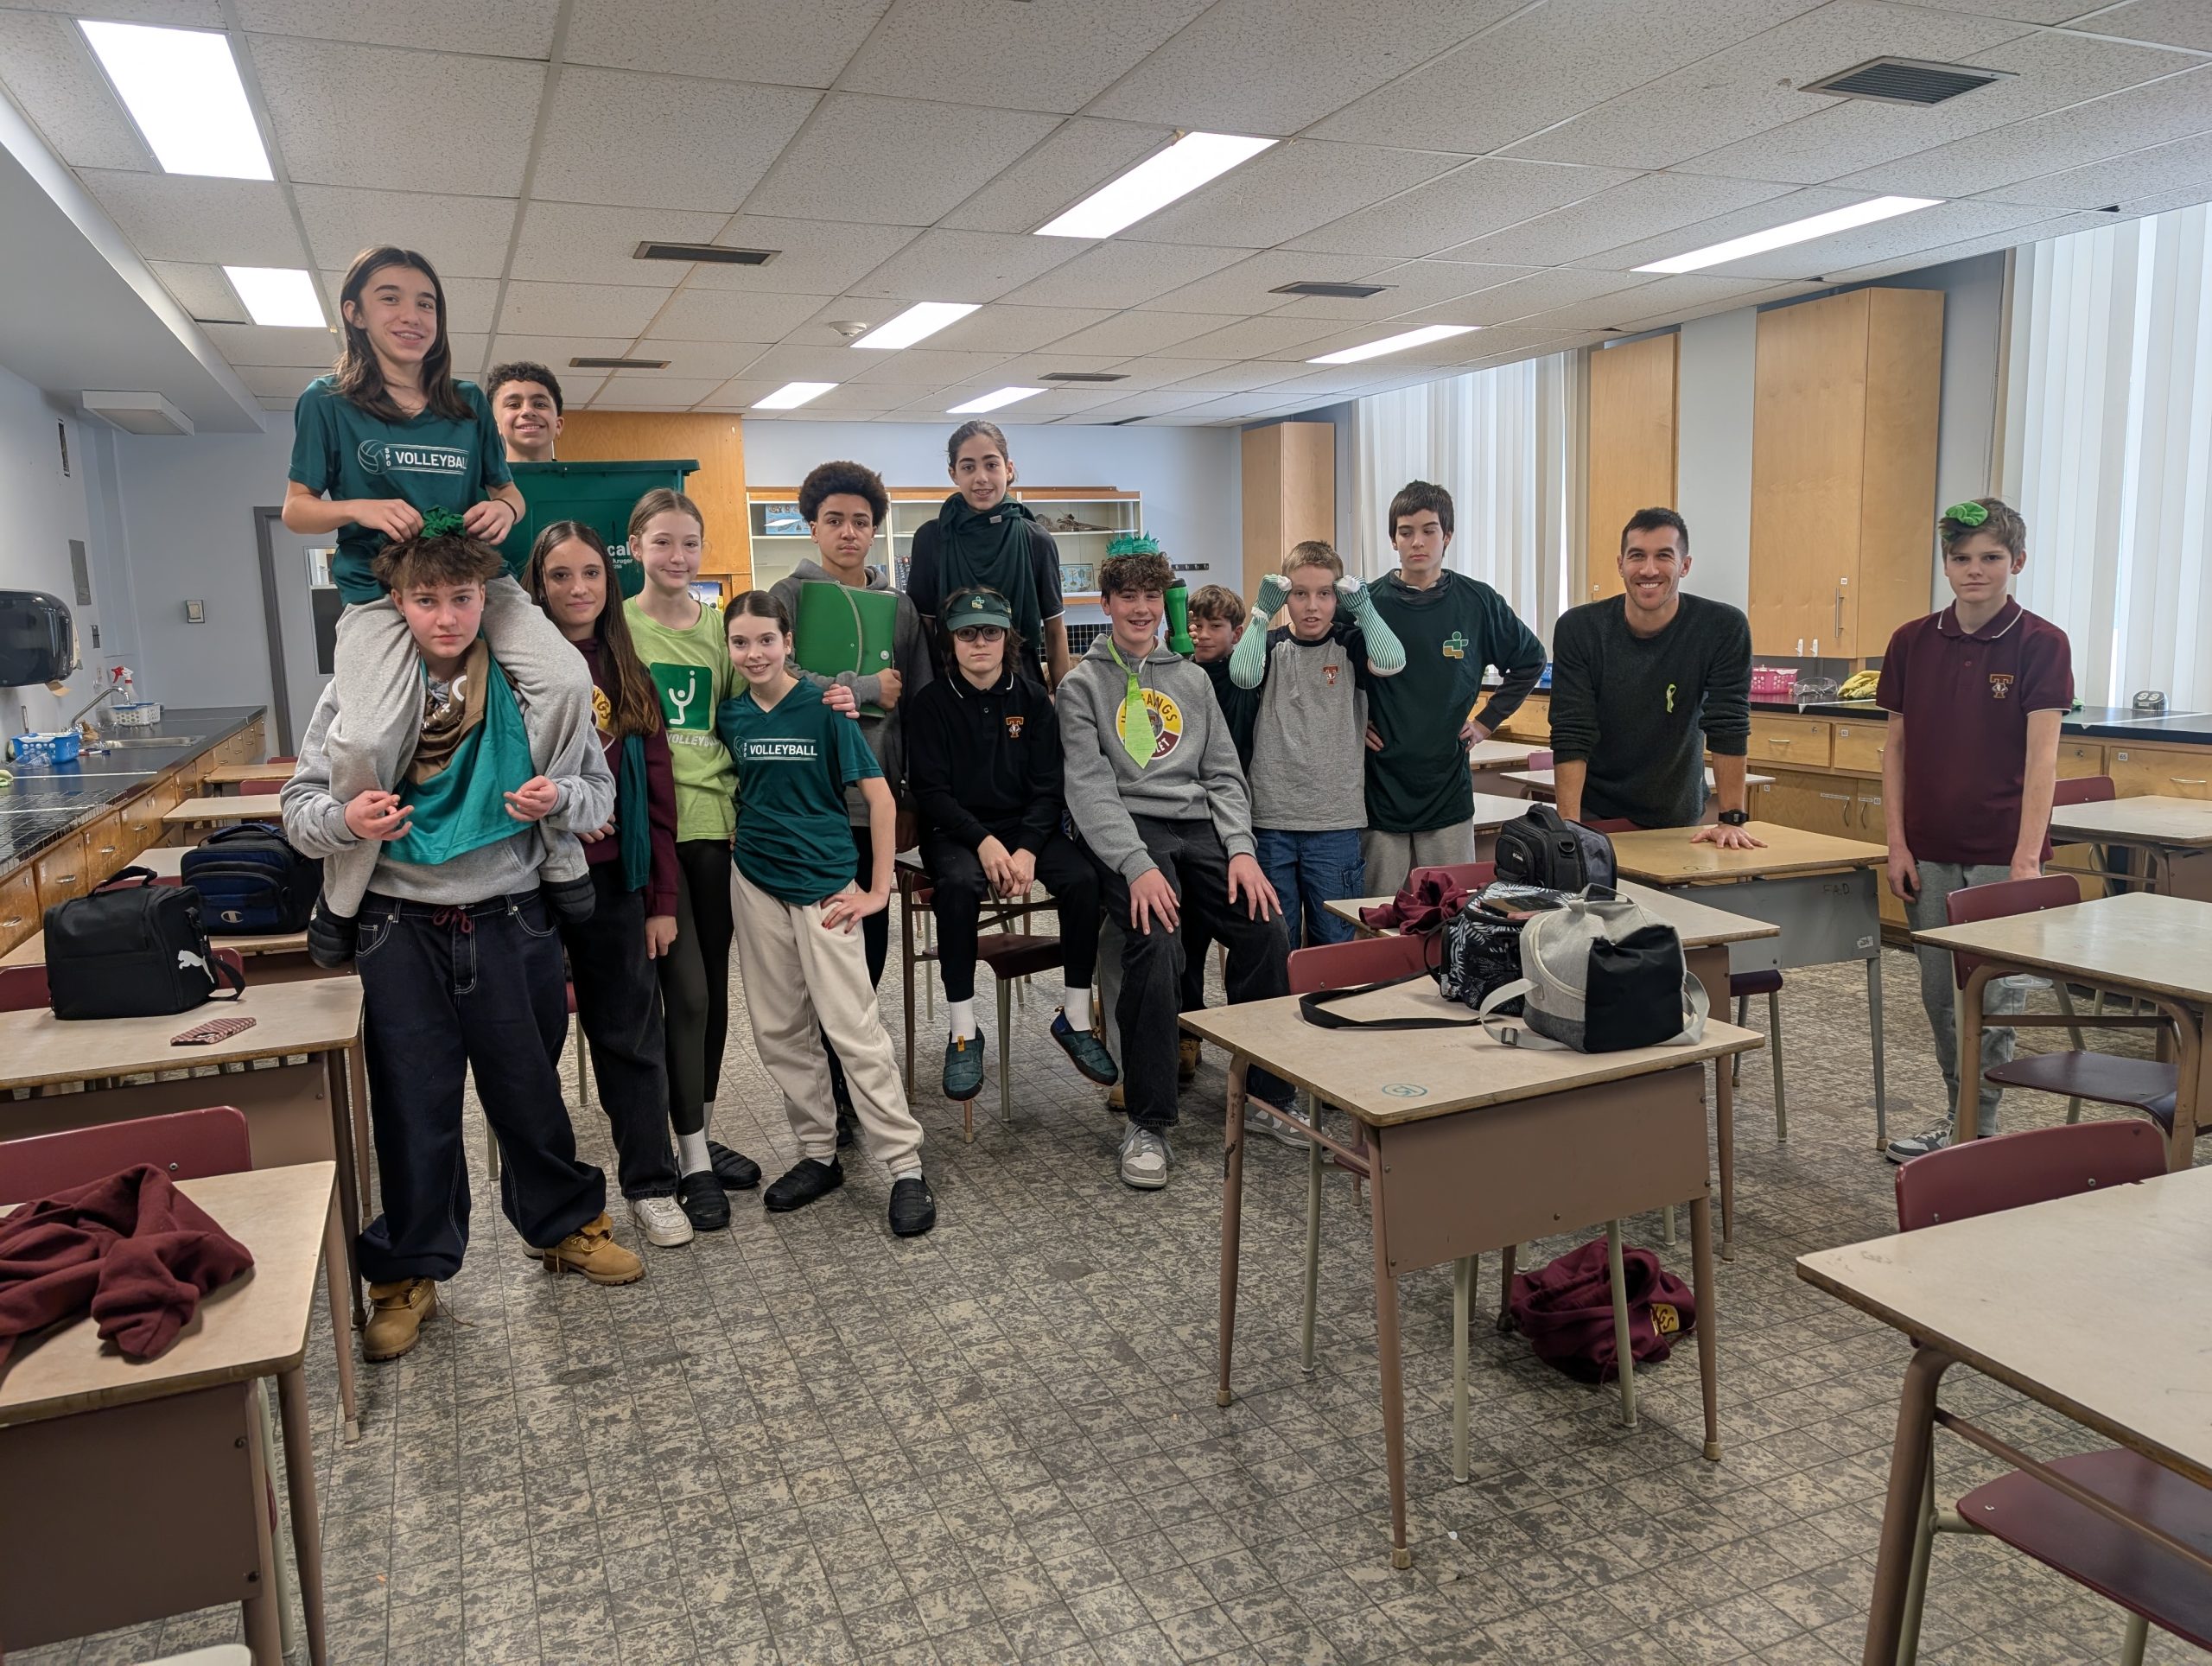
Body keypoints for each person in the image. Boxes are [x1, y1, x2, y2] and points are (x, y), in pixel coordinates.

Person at [279, 526, 635, 1362]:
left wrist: (559, 801)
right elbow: (298, 812)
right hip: (397, 926)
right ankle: (409, 1272)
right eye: (426, 600)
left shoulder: (531, 685)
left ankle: (563, 1227)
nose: (446, 617)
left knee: (530, 1091)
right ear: (396, 604)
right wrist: (346, 818)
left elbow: (597, 794)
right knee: (414, 1107)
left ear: (490, 600)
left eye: (463, 598)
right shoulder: (357, 694)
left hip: (512, 917)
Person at [282, 245, 594, 966]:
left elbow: (507, 491)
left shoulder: (468, 402)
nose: (411, 315)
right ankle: (344, 892)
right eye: (390, 298)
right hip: (382, 595)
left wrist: (505, 511)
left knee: (566, 681)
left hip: (476, 580)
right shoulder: (326, 402)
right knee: (367, 738)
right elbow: (297, 509)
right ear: (355, 314)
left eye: (425, 302)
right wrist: (358, 508)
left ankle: (556, 845)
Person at [1058, 547, 1295, 1189]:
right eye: (1127, 597)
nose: (1140, 609)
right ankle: (1149, 1120)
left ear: (1164, 605)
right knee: (1157, 939)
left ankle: (1270, 1096)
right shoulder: (1081, 686)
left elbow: (1223, 774)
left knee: (1266, 926)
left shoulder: (1191, 680)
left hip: (1199, 829)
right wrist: (1135, 864)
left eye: (1151, 597)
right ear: (1106, 605)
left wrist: (1241, 850)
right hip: (1129, 831)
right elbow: (1089, 788)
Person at [715, 592, 938, 1237]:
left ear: (788, 642)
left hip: (825, 884)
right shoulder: (731, 716)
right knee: (779, 1029)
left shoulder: (826, 707)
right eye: (740, 642)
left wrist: (877, 890)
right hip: (756, 880)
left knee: (851, 1026)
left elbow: (879, 798)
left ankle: (904, 1166)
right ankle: (819, 1154)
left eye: (766, 639)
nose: (754, 653)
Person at [1878, 498, 2072, 1163]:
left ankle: (1977, 1125)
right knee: (1940, 995)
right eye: (1961, 558)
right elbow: (1896, 749)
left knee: (1990, 994)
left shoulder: (2042, 643)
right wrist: (1897, 843)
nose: (1975, 570)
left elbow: (2042, 760)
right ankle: (1959, 1111)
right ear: (1945, 564)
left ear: (2017, 562)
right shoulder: (1912, 642)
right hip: (1927, 849)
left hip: (2000, 852)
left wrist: (2026, 862)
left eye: (1991, 557)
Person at [524, 521, 691, 1247]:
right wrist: (568, 811)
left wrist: (661, 901)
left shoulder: (629, 672)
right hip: (529, 885)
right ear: (537, 587)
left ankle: (652, 1185)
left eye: (590, 573)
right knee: (532, 1049)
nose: (578, 589)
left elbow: (659, 796)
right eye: (560, 575)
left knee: (630, 1038)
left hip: (618, 885)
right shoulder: (512, 669)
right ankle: (554, 1205)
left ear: (609, 580)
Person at [768, 461, 931, 1143]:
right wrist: (863, 688)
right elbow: (774, 679)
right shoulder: (787, 596)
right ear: (813, 526)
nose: (847, 533)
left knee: (867, 949)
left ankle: (858, 1085)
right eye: (834, 520)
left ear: (874, 531)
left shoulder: (901, 609)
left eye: (861, 522)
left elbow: (917, 705)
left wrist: (913, 796)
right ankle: (826, 1093)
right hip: (809, 804)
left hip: (875, 806)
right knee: (814, 957)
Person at [904, 587, 1117, 1101]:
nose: (979, 642)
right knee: (958, 887)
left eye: (990, 632)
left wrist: (1026, 848)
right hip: (955, 831)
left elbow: (1048, 787)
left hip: (1025, 827)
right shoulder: (930, 704)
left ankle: (1074, 1017)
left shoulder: (1034, 700)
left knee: (1083, 880)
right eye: (967, 633)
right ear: (951, 641)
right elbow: (931, 793)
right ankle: (963, 1031)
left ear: (1008, 638)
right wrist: (982, 843)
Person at [620, 489, 755, 1227]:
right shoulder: (620, 627)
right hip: (653, 834)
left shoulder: (717, 630)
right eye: (663, 542)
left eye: (690, 543)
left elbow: (740, 716)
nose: (678, 557)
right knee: (689, 995)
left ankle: (694, 1134)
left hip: (716, 828)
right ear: (635, 546)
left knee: (715, 996)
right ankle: (691, 1158)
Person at [1362, 480, 1548, 899]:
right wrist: (1353, 725)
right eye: (1406, 531)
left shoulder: (1477, 602)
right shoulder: (1367, 605)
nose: (1417, 542)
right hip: (1380, 789)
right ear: (1393, 539)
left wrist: (1485, 723)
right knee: (1377, 909)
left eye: (1429, 530)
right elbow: (1330, 673)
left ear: (1447, 536)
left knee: (1449, 910)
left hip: (1447, 788)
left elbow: (1531, 660)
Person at [1230, 540, 1406, 948]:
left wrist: (1363, 608)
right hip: (1271, 821)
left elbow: (1392, 661)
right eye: (1299, 594)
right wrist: (1260, 613)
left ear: (1337, 597)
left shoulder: (1350, 643)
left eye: (1325, 593)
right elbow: (1243, 676)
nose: (1312, 606)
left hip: (1335, 824)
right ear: (1284, 597)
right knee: (1276, 941)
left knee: (1335, 942)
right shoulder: (1270, 645)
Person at [1549, 508, 1760, 846]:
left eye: (1664, 556)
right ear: (1621, 565)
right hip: (1595, 813)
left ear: (1685, 565)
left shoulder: (1722, 627)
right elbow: (1572, 730)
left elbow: (1728, 725)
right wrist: (1569, 828)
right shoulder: (1580, 629)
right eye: (1637, 556)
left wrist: (1731, 820)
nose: (1649, 570)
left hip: (1677, 815)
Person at [905, 420, 1071, 688]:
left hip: (1022, 687)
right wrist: (923, 700)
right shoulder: (931, 539)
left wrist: (1066, 703)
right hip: (951, 688)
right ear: (953, 474)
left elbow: (1054, 630)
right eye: (968, 467)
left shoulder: (1037, 540)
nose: (981, 477)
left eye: (991, 465)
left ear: (1008, 468)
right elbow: (922, 633)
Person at [486, 360, 563, 463]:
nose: (528, 411)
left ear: (558, 425)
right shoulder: (478, 474)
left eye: (540, 404)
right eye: (514, 405)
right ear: (495, 426)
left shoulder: (581, 474)